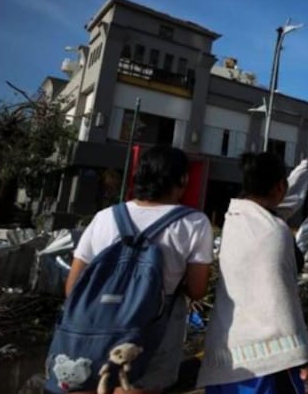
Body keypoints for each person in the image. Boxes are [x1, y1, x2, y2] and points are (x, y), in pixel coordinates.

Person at [65, 146, 214, 394]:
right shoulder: (194, 222)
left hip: (95, 326)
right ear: (183, 179)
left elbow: (73, 287)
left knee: (92, 382)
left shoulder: (104, 217)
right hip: (155, 328)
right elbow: (198, 290)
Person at [198, 152, 308, 394]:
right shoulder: (275, 231)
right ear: (279, 187)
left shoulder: (234, 218)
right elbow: (281, 299)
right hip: (266, 362)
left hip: (226, 353)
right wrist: (305, 353)